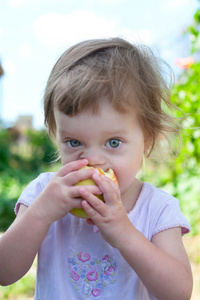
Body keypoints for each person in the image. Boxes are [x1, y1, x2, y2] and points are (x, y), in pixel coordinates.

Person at [0, 37, 193, 300]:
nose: (93, 160)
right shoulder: (44, 193)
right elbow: (4, 273)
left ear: (147, 138)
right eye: (74, 142)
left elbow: (178, 293)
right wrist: (41, 213)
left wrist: (125, 234)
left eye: (113, 143)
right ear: (56, 135)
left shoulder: (157, 209)